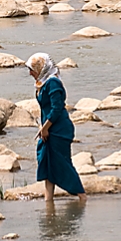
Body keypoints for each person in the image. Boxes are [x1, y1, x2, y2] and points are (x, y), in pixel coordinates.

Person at [25, 52, 87, 203]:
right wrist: (43, 127)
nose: (30, 73)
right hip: (49, 128)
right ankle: (48, 201)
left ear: (41, 68)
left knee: (62, 163)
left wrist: (45, 128)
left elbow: (57, 108)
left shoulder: (53, 82)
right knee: (47, 162)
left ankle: (82, 196)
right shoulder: (42, 82)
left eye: (32, 69)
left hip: (59, 129)